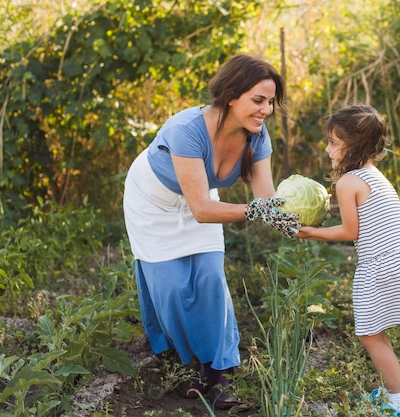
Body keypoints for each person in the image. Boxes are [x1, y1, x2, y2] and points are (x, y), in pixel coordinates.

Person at [122, 53, 300, 410]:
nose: (265, 110)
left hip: (202, 199)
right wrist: (255, 212)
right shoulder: (186, 130)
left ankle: (218, 372)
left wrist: (294, 216)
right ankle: (182, 362)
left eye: (270, 102)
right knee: (172, 287)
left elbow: (265, 199)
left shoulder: (256, 135)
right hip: (153, 201)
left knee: (208, 280)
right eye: (258, 100)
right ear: (231, 95)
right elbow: (204, 209)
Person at [295, 104, 400, 417]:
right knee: (375, 333)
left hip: (383, 264)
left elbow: (350, 230)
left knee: (370, 335)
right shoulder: (374, 175)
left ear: (354, 146)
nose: (327, 148)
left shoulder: (348, 182)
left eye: (333, 142)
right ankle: (391, 391)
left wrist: (310, 232)